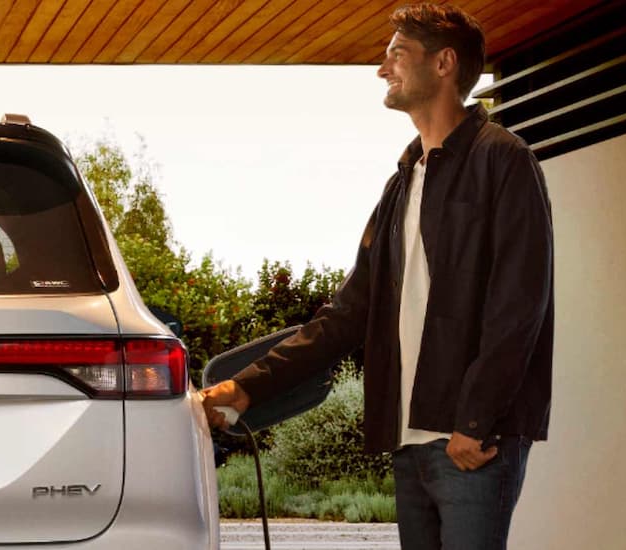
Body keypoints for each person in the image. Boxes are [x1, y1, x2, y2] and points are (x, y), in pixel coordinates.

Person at [201, 4, 553, 549]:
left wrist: (476, 421)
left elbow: (519, 305)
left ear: (444, 64)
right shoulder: (403, 182)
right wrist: (248, 386)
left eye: (396, 54)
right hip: (410, 442)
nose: (382, 68)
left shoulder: (503, 161)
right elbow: (345, 315)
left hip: (472, 443)